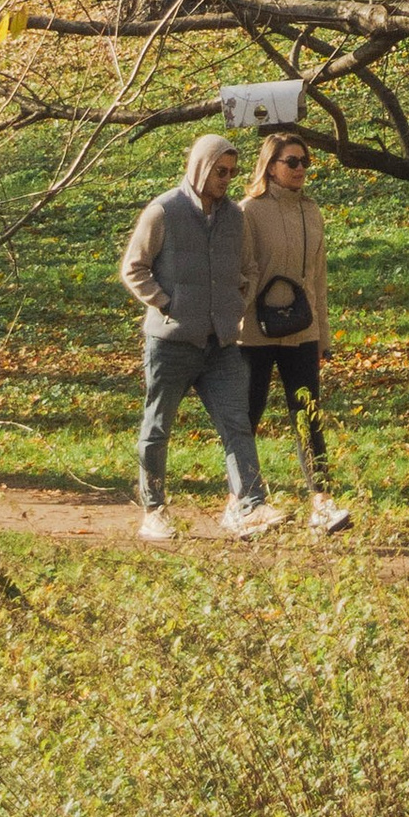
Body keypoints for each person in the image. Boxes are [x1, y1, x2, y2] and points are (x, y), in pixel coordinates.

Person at [119, 132, 281, 544]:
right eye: (218, 171)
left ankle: (251, 505)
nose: (225, 179)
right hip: (171, 343)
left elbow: (250, 267)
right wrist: (167, 304)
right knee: (157, 427)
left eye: (231, 172)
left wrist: (235, 305)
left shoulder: (234, 217)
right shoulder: (163, 211)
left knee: (237, 424)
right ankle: (154, 510)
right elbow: (134, 268)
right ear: (199, 167)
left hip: (221, 344)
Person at [238, 129, 351, 536]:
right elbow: (241, 273)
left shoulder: (312, 211)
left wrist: (323, 336)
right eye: (292, 162)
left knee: (308, 416)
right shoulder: (249, 211)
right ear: (270, 166)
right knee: (247, 416)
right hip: (254, 332)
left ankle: (321, 501)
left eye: (305, 162)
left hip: (302, 331)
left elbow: (317, 278)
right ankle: (242, 501)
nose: (301, 168)